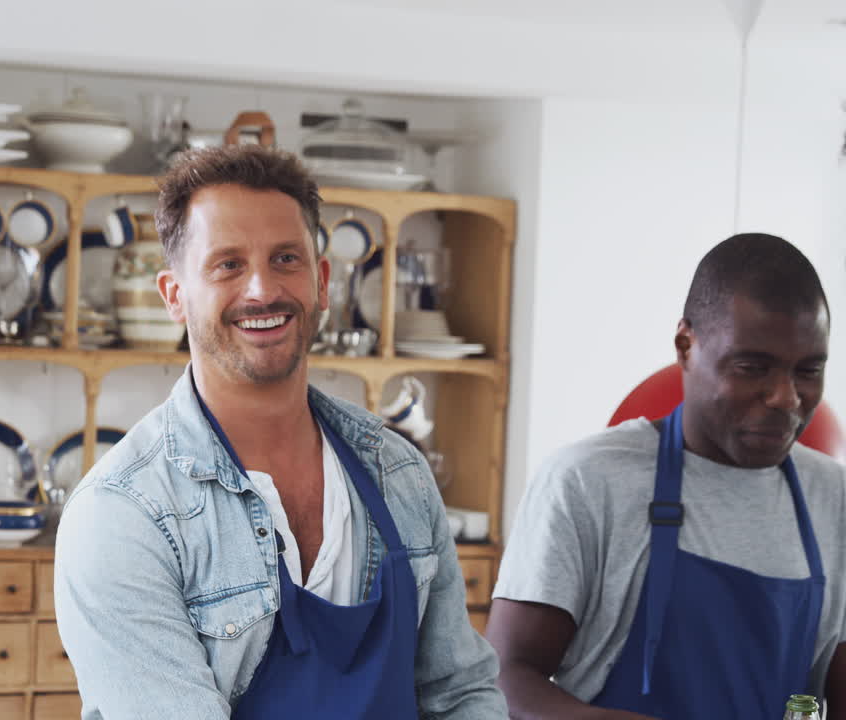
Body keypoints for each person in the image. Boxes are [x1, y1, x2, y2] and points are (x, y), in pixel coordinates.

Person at [54, 145, 506, 718]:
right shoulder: (123, 514)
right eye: (228, 265)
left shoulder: (398, 473)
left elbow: (460, 693)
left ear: (320, 280)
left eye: (285, 258)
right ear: (174, 296)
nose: (262, 290)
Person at [488, 233, 846, 719]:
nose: (785, 397)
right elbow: (504, 682)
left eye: (808, 370)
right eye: (752, 366)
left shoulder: (834, 498)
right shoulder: (588, 482)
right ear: (685, 346)